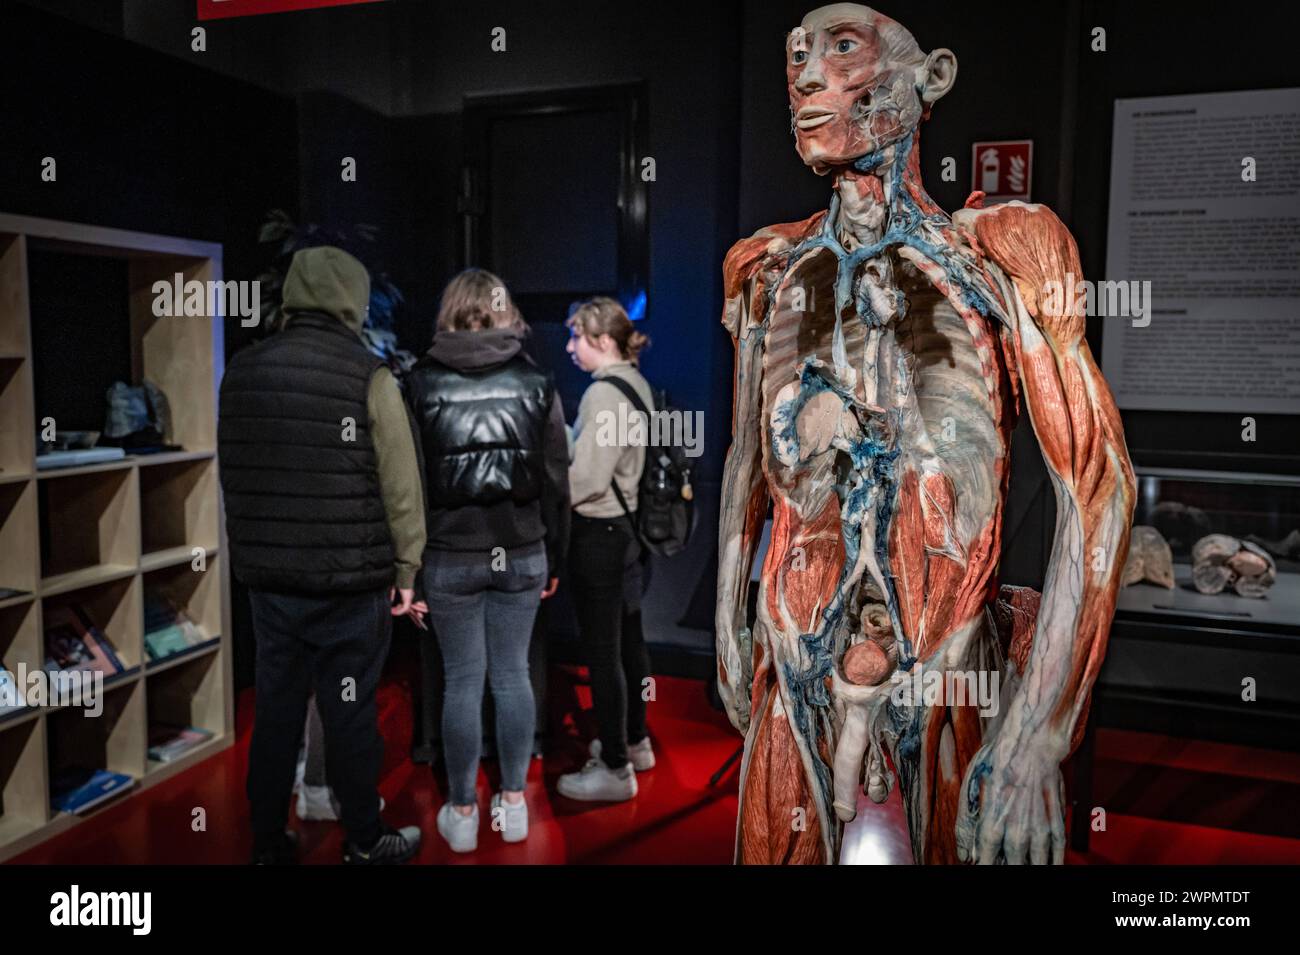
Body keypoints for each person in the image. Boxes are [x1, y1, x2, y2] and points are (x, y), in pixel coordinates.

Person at [219, 245, 426, 865]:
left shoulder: (242, 370)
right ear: (351, 299)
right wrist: (407, 569)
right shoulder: (369, 374)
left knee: (276, 712)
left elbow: (235, 471)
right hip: (350, 583)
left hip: (270, 581)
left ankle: (265, 841)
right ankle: (364, 839)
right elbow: (400, 484)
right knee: (349, 713)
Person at [405, 269, 570, 852]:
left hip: (449, 556)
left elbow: (411, 485)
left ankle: (461, 811)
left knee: (462, 681)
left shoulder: (418, 383)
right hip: (522, 551)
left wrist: (411, 570)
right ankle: (513, 803)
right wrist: (555, 558)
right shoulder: (535, 380)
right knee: (512, 675)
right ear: (505, 312)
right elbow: (557, 478)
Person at [556, 297, 656, 803]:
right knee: (629, 641)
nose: (569, 347)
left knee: (603, 652)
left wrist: (551, 494)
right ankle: (635, 741)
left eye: (576, 337)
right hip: (629, 532)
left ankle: (614, 767)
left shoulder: (602, 395)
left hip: (598, 535)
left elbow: (588, 481)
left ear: (600, 340)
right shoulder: (635, 383)